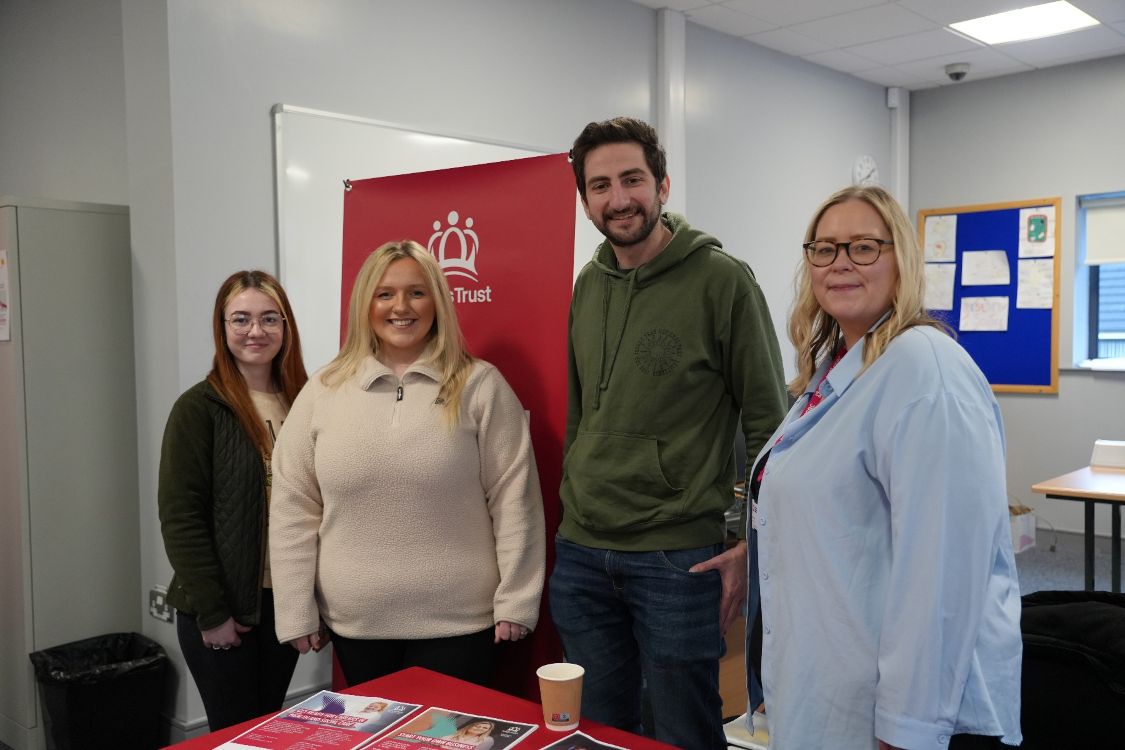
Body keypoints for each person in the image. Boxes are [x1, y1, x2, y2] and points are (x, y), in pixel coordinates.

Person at [750, 185, 1022, 749]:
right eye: (824, 249)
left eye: (864, 247)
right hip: (831, 690)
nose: (840, 262)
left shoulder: (926, 371)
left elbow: (941, 572)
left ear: (902, 259)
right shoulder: (840, 368)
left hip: (904, 718)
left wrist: (908, 730)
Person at [550, 116, 788, 750]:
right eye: (600, 185)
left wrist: (747, 541)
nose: (618, 198)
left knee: (684, 729)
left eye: (632, 179)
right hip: (581, 552)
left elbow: (770, 424)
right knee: (598, 732)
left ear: (662, 184)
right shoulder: (587, 284)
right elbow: (580, 415)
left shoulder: (722, 281)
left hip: (678, 556)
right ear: (584, 200)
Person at [270, 240, 545, 687]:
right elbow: (292, 506)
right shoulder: (323, 390)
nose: (401, 307)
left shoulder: (480, 386)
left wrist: (517, 599)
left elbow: (516, 500)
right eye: (385, 294)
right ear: (366, 304)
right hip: (356, 625)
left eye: (417, 292)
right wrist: (296, 608)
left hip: (461, 623)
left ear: (437, 299)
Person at [158, 270, 309, 730]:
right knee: (235, 733)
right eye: (240, 319)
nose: (256, 331)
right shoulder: (198, 408)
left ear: (286, 327)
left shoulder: (306, 401)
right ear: (222, 329)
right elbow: (181, 519)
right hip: (224, 612)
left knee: (268, 730)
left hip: (283, 606)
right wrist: (213, 613)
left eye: (269, 319)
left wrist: (309, 605)